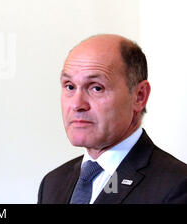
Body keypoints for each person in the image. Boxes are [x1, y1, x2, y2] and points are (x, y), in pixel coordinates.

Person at [38, 34, 187, 204]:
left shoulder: (176, 186)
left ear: (139, 96)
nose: (77, 104)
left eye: (96, 88)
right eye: (69, 86)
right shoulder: (52, 183)